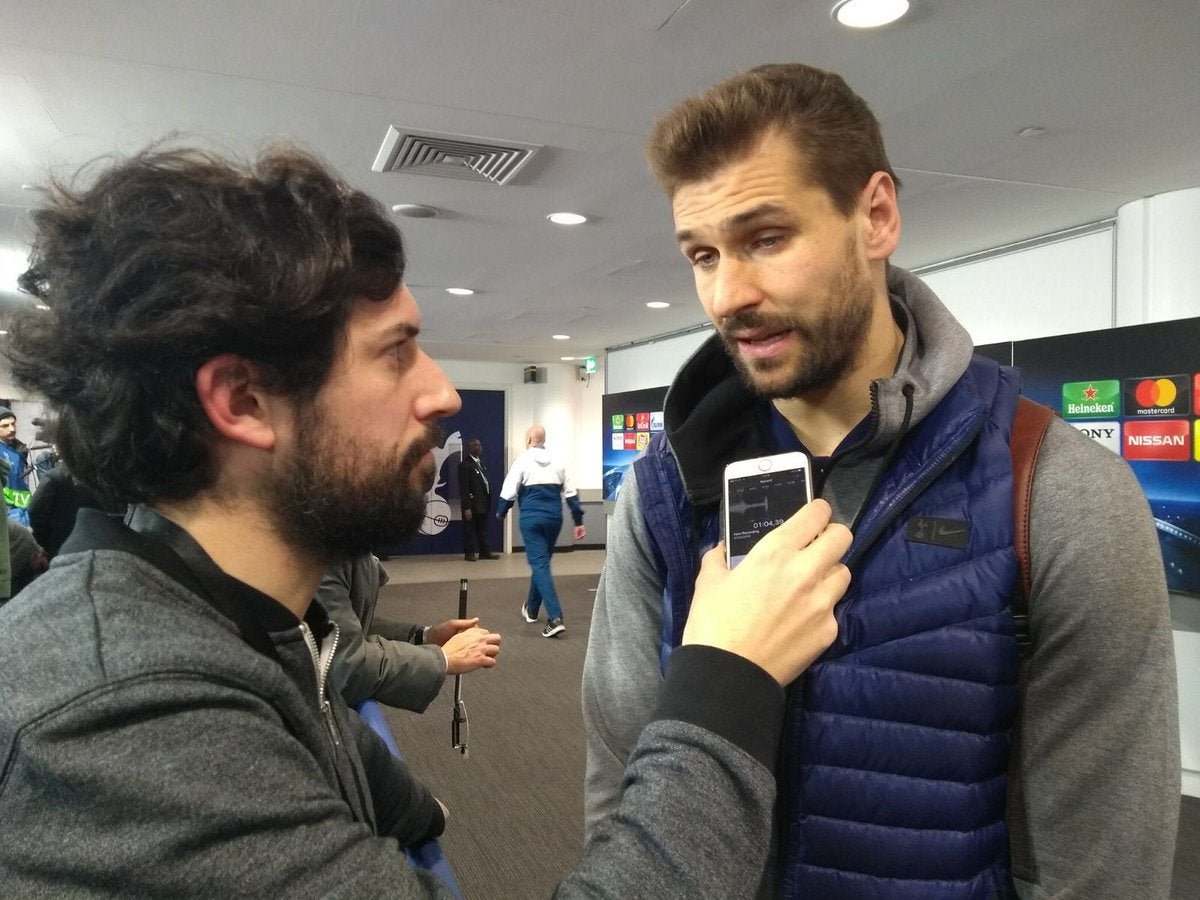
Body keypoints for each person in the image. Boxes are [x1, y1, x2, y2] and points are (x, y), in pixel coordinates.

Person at [0, 140, 856, 897]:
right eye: (396, 352)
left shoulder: (222, 616)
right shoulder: (129, 715)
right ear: (243, 399)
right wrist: (728, 676)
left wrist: (407, 804)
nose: (441, 392)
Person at [582, 63, 1180, 900]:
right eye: (704, 254)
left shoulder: (1059, 492)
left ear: (876, 216)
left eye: (766, 238)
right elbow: (622, 791)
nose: (728, 294)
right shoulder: (662, 496)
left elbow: (1102, 858)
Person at [318, 552, 501, 711]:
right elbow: (342, 666)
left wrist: (425, 636)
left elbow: (350, 626)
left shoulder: (348, 545)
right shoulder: (324, 555)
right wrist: (442, 659)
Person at [498, 424, 585, 638]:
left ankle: (555, 617)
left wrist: (501, 512)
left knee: (540, 565)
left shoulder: (522, 460)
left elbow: (509, 491)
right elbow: (571, 493)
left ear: (529, 439)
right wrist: (578, 521)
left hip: (531, 519)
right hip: (554, 519)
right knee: (542, 563)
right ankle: (532, 609)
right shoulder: (559, 460)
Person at [28, 459, 127, 559]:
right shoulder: (107, 478)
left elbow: (34, 511)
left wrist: (45, 541)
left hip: (62, 547)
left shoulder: (55, 477)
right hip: (102, 548)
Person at [456, 436, 495, 560]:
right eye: (476, 445)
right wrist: (466, 508)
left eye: (480, 445)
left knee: (483, 529)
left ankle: (485, 552)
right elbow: (464, 488)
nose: (480, 447)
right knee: (469, 529)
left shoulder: (480, 463)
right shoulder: (465, 465)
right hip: (472, 504)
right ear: (470, 448)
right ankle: (469, 553)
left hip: (482, 502)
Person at [0, 406, 32, 526]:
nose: (12, 429)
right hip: (7, 513)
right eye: (5, 426)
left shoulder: (19, 451)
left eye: (13, 424)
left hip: (25, 511)